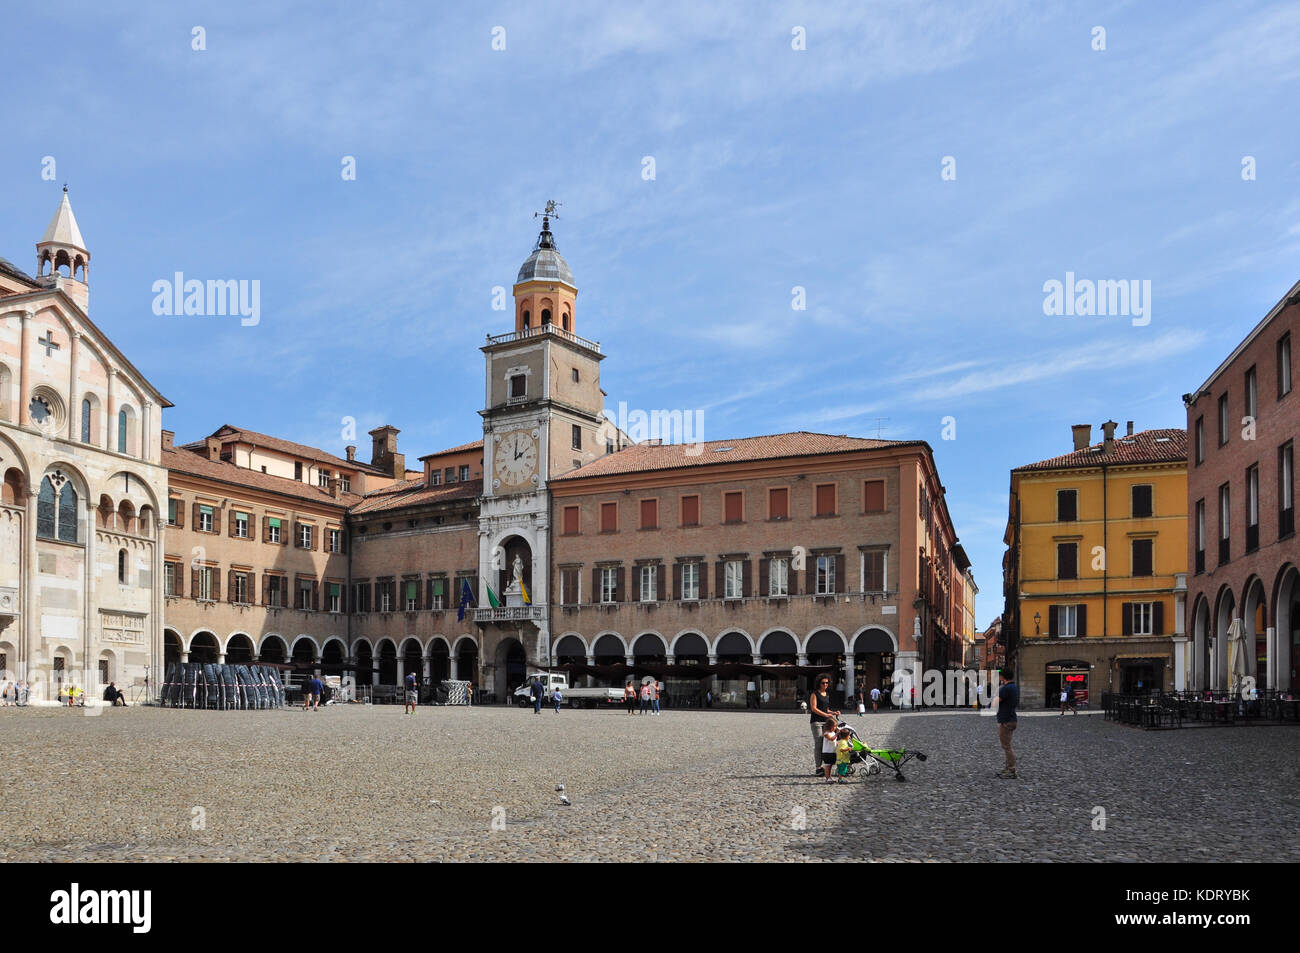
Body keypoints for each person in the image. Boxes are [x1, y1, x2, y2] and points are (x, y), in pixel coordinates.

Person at [808, 675, 839, 776]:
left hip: (826, 722)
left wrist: (833, 712)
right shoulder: (814, 694)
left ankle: (826, 765)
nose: (825, 684)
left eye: (827, 683)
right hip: (816, 722)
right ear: (819, 683)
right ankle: (818, 767)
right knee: (819, 743)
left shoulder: (827, 694)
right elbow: (814, 708)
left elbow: (826, 709)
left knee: (828, 743)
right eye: (823, 683)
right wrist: (826, 714)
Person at [996, 669, 1018, 779]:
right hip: (1011, 718)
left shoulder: (1005, 688)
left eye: (1000, 676)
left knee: (1007, 747)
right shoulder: (1014, 687)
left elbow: (996, 702)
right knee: (1007, 745)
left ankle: (1011, 769)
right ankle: (1008, 768)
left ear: (1003, 677)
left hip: (1006, 720)